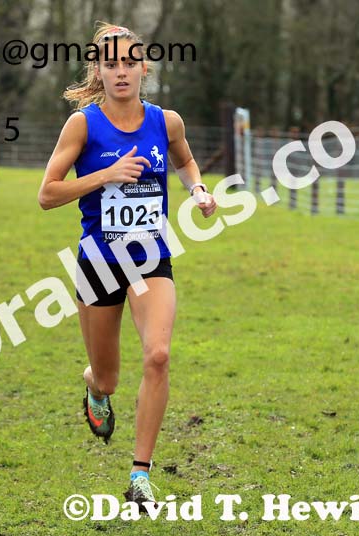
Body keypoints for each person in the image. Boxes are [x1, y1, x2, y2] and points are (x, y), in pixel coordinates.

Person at [38, 22, 216, 506]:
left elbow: (184, 161)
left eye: (128, 63)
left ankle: (140, 475)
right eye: (110, 64)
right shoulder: (84, 125)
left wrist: (197, 189)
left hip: (150, 259)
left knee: (158, 355)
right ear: (99, 70)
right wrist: (104, 175)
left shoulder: (167, 121)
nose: (120, 72)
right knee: (110, 376)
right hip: (99, 261)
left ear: (144, 67)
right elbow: (47, 194)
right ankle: (94, 389)